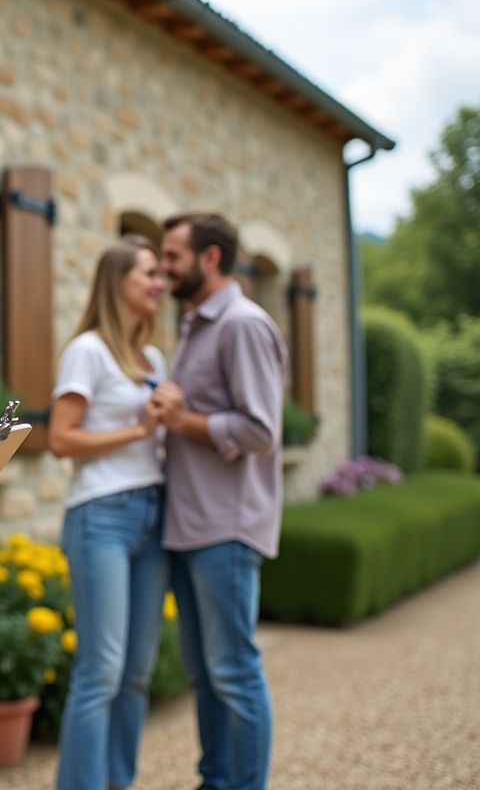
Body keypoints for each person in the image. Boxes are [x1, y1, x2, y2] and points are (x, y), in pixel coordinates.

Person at [149, 212, 286, 790]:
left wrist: (185, 420)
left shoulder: (242, 324)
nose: (163, 266)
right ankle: (216, 779)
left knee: (233, 672)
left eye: (173, 255)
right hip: (190, 524)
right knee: (206, 674)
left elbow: (261, 430)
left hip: (226, 527)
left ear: (210, 258)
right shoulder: (195, 325)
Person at [49, 234, 170, 790]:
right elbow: (61, 439)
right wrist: (139, 429)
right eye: (148, 273)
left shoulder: (153, 359)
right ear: (117, 281)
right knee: (101, 671)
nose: (159, 283)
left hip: (154, 513)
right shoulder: (88, 350)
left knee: (137, 674)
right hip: (103, 516)